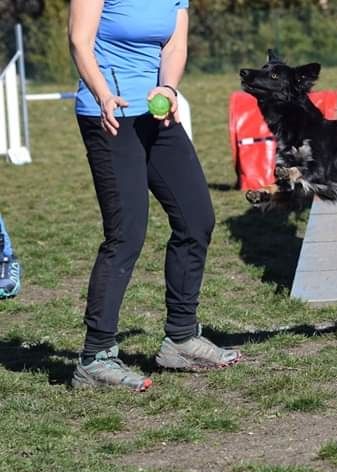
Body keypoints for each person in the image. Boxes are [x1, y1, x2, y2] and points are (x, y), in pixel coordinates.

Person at [68, 0, 241, 391]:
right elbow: (79, 41)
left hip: (156, 114)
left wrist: (168, 86)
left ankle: (180, 337)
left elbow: (174, 45)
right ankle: (95, 357)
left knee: (197, 218)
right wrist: (102, 94)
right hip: (108, 115)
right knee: (126, 234)